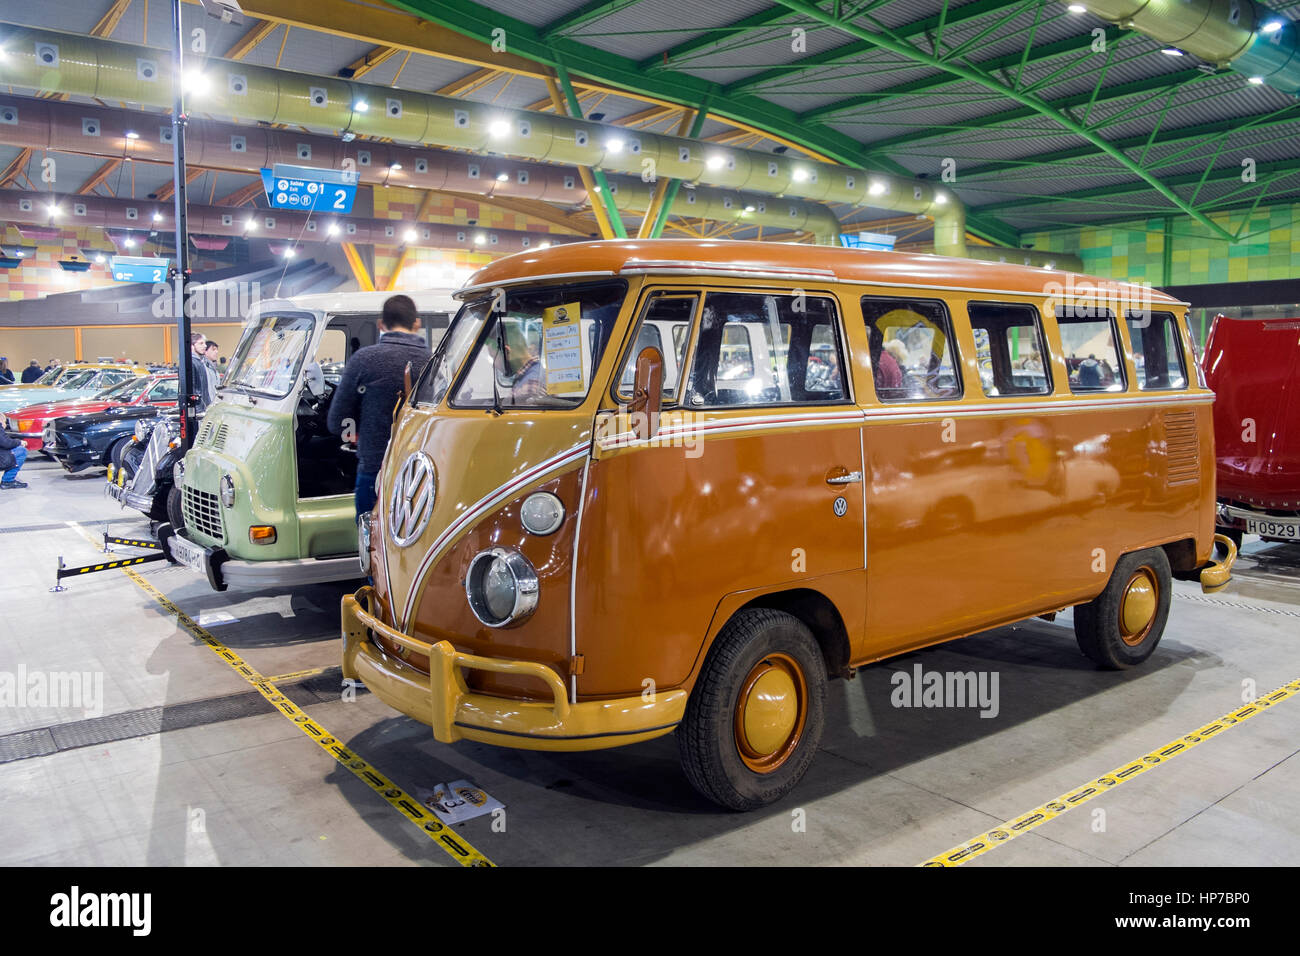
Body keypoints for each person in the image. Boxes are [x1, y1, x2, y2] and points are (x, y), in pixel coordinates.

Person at [327, 295, 430, 516]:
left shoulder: (363, 360)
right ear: (417, 323)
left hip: (374, 468)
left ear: (381, 324)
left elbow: (337, 421)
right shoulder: (433, 362)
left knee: (371, 542)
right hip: (419, 474)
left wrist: (356, 435)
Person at [187, 332, 214, 412]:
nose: (205, 346)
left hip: (204, 407)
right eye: (201, 343)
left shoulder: (201, 362)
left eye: (204, 343)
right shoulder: (191, 363)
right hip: (199, 409)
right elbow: (192, 389)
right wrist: (198, 410)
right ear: (192, 346)